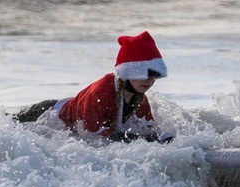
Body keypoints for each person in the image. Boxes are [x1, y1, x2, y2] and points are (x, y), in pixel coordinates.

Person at [14, 31, 170, 142]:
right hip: (48, 114)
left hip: (65, 112)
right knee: (7, 123)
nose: (149, 80)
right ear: (129, 72)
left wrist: (167, 139)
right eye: (145, 73)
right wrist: (134, 139)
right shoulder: (101, 91)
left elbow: (151, 129)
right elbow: (91, 135)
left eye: (155, 75)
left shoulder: (139, 99)